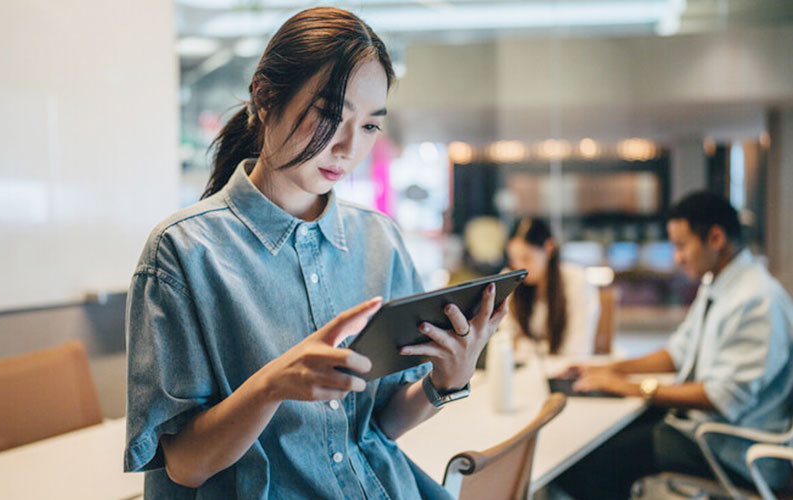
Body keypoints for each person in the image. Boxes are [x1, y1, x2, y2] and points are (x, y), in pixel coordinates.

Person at [123, 7, 507, 499]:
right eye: (330, 115)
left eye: (369, 126)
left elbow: (378, 426)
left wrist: (445, 382)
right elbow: (185, 465)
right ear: (264, 98)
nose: (348, 147)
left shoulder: (379, 242)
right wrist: (272, 386)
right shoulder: (183, 253)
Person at [555, 191, 793, 499]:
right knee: (595, 440)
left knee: (588, 464)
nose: (676, 257)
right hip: (703, 429)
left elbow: (723, 398)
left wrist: (634, 388)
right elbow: (678, 353)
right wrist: (608, 368)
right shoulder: (718, 286)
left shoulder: (757, 300)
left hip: (733, 449)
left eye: (681, 246)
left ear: (716, 238)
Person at [497, 218, 600, 358]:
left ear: (549, 247)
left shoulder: (576, 281)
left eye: (526, 258)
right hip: (525, 372)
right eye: (513, 260)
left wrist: (526, 347)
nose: (519, 268)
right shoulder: (510, 279)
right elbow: (506, 343)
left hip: (564, 372)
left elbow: (577, 350)